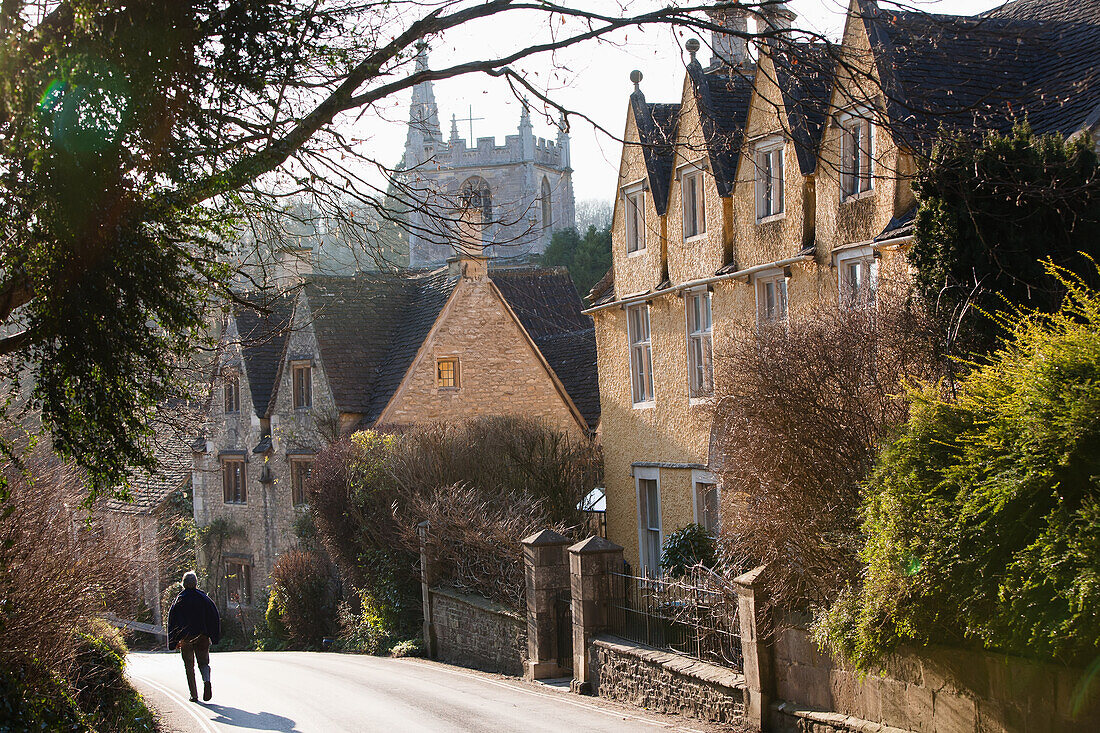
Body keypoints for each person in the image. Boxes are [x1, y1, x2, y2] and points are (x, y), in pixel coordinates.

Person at [166, 571, 221, 702]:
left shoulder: (179, 600)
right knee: (204, 663)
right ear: (196, 583)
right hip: (202, 636)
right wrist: (214, 637)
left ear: (183, 584)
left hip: (185, 638)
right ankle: (206, 680)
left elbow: (172, 621)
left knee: (189, 666)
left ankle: (194, 695)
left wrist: (173, 642)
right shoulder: (204, 599)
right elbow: (214, 617)